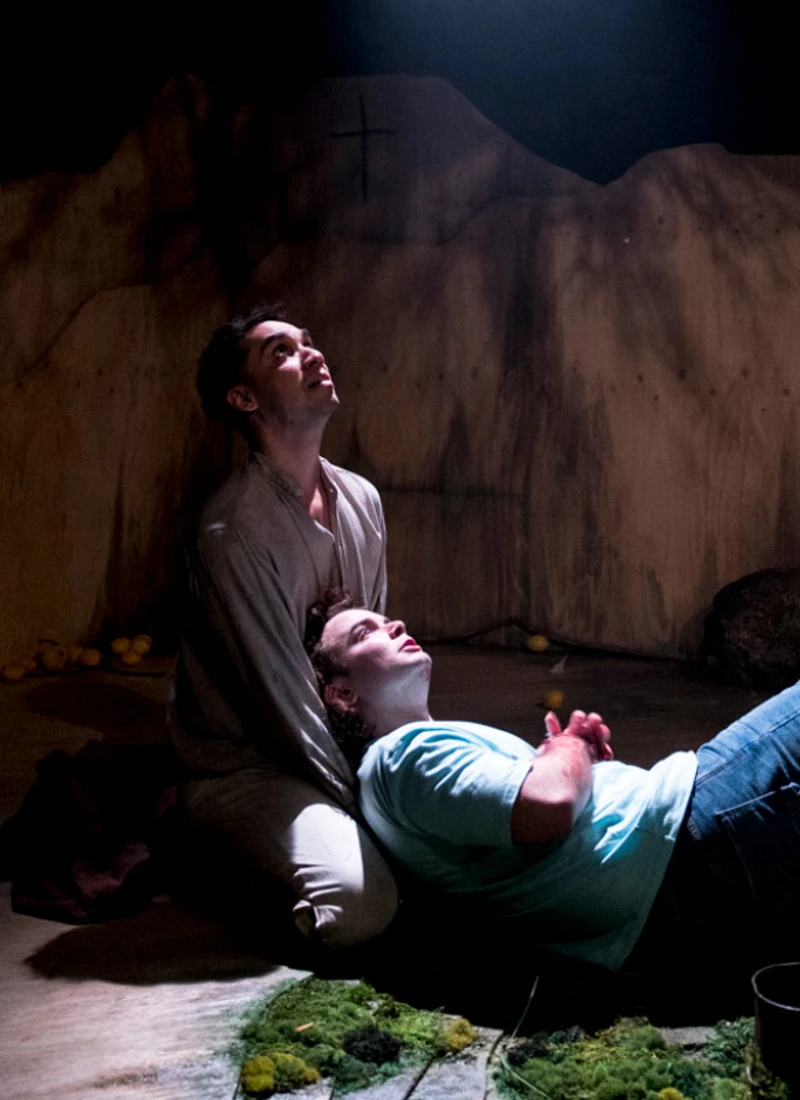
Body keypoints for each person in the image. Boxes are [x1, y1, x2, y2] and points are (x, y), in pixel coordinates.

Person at [308, 599, 800, 986]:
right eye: (365, 633)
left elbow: (545, 800)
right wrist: (569, 749)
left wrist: (575, 763)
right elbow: (550, 803)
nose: (393, 624)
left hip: (669, 878)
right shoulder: (403, 758)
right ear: (342, 694)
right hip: (686, 837)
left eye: (384, 620)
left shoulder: (407, 768)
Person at [167, 305, 399, 951]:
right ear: (244, 398)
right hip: (247, 767)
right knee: (361, 906)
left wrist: (408, 783)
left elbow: (371, 665)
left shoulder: (362, 499)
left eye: (308, 343)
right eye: (282, 352)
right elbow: (285, 704)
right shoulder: (233, 532)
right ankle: (207, 849)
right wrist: (382, 815)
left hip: (332, 750)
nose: (313, 354)